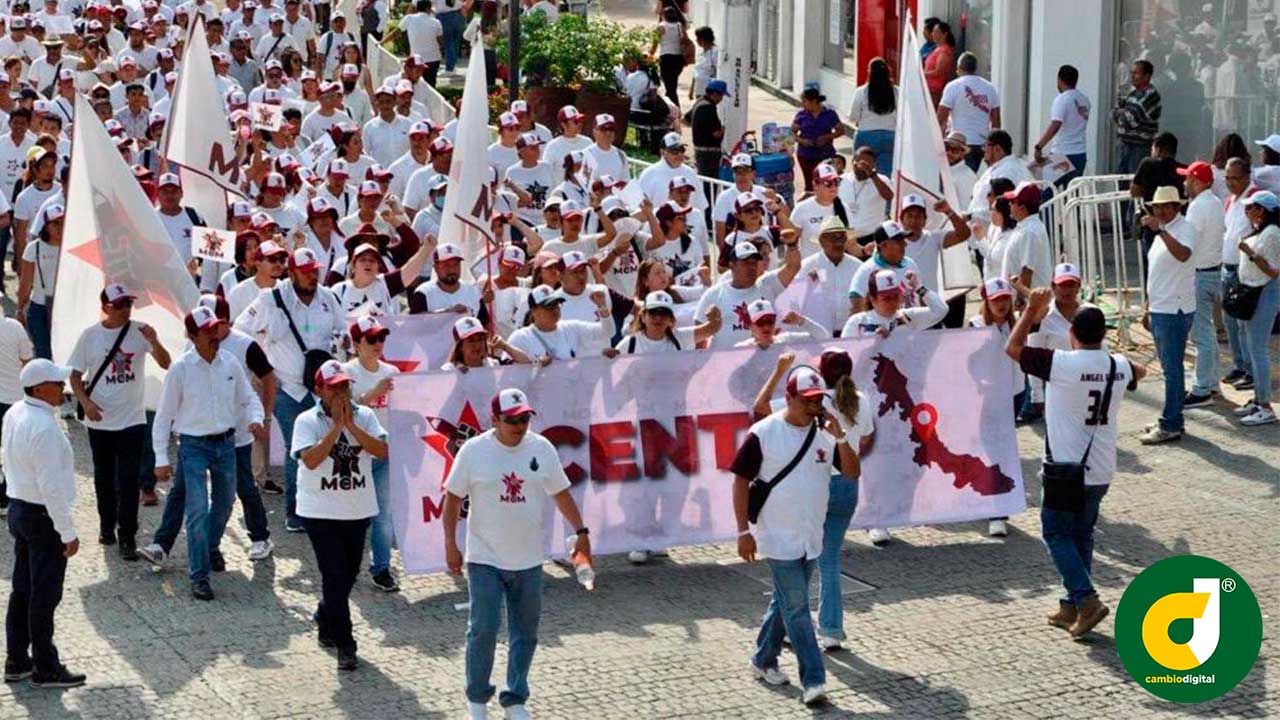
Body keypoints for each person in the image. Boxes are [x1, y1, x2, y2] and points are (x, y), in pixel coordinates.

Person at [442, 387, 591, 720]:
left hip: (529, 558)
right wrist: (450, 544)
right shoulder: (474, 450)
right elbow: (452, 498)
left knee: (526, 632)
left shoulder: (541, 448)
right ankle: (477, 700)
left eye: (525, 419)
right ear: (494, 420)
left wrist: (581, 532)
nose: (520, 426)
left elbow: (561, 492)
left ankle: (515, 699)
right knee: (483, 628)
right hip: (484, 557)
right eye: (512, 420)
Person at [1006, 288, 1146, 639]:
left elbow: (1013, 348)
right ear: (1103, 334)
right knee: (1082, 533)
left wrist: (1030, 311)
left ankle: (1086, 600)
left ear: (1072, 333)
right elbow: (1141, 370)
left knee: (1055, 532)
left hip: (1065, 468)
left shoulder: (1063, 363)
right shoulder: (1118, 365)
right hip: (1101, 469)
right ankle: (1070, 605)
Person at [731, 365, 859, 706]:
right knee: (798, 608)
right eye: (807, 400)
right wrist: (743, 531)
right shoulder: (764, 433)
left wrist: (841, 437)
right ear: (788, 398)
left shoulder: (825, 434)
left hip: (810, 536)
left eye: (818, 400)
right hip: (776, 535)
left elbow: (851, 472)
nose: (814, 406)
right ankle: (814, 679)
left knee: (785, 602)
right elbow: (740, 480)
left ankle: (763, 659)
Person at [139, 294, 278, 569]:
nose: (216, 332)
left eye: (218, 325)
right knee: (187, 498)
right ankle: (172, 549)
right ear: (193, 336)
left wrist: (262, 417)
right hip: (196, 440)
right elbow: (167, 410)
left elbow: (262, 383)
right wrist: (161, 457)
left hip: (236, 436)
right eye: (208, 329)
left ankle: (255, 537)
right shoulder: (186, 360)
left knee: (238, 492)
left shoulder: (243, 347)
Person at [236, 248, 346, 533]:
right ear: (293, 272)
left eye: (315, 271)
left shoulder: (328, 298)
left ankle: (323, 505)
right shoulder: (270, 299)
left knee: (327, 444)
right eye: (306, 271)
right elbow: (240, 331)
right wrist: (261, 370)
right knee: (298, 446)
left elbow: (343, 331)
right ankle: (295, 511)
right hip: (287, 388)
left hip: (323, 388)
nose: (312, 276)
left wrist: (339, 348)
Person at [294, 359, 386, 671]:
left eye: (345, 386)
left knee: (348, 574)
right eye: (334, 388)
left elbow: (382, 450)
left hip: (356, 509)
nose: (341, 393)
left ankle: (325, 615)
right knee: (333, 574)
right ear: (319, 390)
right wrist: (336, 429)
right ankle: (346, 644)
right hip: (319, 511)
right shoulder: (307, 421)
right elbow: (310, 460)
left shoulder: (366, 416)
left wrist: (352, 427)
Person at [68, 284, 171, 562]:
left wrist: (155, 341)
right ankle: (106, 526)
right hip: (100, 421)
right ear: (106, 307)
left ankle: (127, 536)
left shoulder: (140, 332)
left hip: (132, 420)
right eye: (121, 305)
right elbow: (74, 375)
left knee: (128, 480)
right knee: (104, 478)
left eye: (129, 304)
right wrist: (86, 403)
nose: (127, 309)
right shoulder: (90, 336)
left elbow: (166, 363)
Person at [3, 359, 86, 688]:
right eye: (57, 383)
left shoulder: (15, 412)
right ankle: (46, 666)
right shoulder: (45, 428)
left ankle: (16, 658)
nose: (63, 388)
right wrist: (68, 532)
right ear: (39, 389)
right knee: (45, 594)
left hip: (19, 508)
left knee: (22, 588)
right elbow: (51, 487)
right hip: (42, 517)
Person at [340, 317, 400, 591]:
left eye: (381, 338)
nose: (378, 344)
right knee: (351, 515)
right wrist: (372, 393)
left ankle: (381, 567)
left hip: (384, 453)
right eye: (372, 339)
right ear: (356, 344)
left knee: (383, 514)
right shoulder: (345, 372)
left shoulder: (392, 371)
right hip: (354, 455)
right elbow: (344, 411)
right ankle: (345, 565)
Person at [1139, 186, 1196, 445]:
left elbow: (1183, 255)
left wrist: (1160, 231)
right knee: (1169, 368)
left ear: (1176, 207)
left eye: (1165, 206)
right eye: (1157, 207)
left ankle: (1171, 423)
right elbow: (1157, 273)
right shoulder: (1165, 231)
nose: (1160, 211)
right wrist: (1148, 306)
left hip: (1174, 308)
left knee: (1172, 370)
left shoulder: (1184, 228)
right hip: (1161, 307)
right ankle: (1173, 418)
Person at [1179, 162, 1227, 408]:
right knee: (1207, 332)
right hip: (1212, 271)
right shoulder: (1216, 202)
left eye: (1187, 178)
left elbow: (1189, 242)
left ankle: (1202, 389)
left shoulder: (1198, 206)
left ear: (1197, 181)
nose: (1184, 182)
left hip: (1200, 274)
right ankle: (1211, 383)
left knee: (1201, 334)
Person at [1233, 191, 1280, 426]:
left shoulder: (1272, 233)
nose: (1246, 211)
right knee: (1252, 347)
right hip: (1252, 291)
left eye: (1250, 207)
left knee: (1258, 349)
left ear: (1262, 210)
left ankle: (1265, 406)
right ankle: (1258, 399)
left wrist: (1249, 253)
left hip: (1264, 293)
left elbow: (1273, 271)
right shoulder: (1261, 230)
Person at [507, 284, 613, 362]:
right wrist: (535, 366)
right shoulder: (520, 338)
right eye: (549, 306)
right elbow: (506, 371)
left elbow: (608, 332)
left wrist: (602, 306)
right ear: (534, 311)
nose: (554, 310)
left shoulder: (571, 328)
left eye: (556, 304)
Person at [1221, 158, 1256, 390]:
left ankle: (1251, 371)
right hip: (1228, 268)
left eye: (1235, 178)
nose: (1230, 183)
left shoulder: (1254, 199)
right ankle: (1240, 365)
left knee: (1245, 325)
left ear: (1246, 177)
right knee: (1230, 323)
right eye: (1227, 178)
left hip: (1245, 272)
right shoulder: (1230, 201)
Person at [937, 52, 999, 172]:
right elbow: (996, 123)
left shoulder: (953, 86)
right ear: (975, 69)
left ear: (959, 69)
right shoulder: (990, 88)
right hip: (982, 145)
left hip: (958, 146)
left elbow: (940, 120)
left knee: (960, 179)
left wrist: (939, 145)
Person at [1033, 64, 1091, 187]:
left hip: (1061, 153)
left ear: (1059, 80)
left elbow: (1056, 124)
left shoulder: (1062, 99)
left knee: (1046, 189)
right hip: (1080, 153)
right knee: (1072, 193)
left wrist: (1039, 146)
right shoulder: (1084, 100)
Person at [0, 298, 32, 515]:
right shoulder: (15, 327)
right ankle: (9, 497)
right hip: (13, 399)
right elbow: (28, 360)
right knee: (13, 451)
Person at [848, 57, 897, 177]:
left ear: (869, 72)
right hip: (890, 137)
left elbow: (853, 117)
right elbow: (902, 117)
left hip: (865, 136)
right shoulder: (897, 92)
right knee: (884, 177)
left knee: (862, 174)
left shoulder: (861, 92)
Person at [1113, 60, 1162, 174]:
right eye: (1131, 73)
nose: (1132, 76)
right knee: (1121, 179)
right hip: (1125, 145)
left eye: (1136, 73)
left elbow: (1129, 120)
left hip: (1139, 147)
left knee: (1135, 179)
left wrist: (1122, 114)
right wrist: (1121, 113)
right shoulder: (1132, 94)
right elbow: (1115, 112)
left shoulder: (1150, 95)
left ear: (1146, 76)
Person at [792, 88, 841, 192]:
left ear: (814, 101)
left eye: (805, 101)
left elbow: (840, 130)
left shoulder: (829, 114)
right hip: (805, 155)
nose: (802, 104)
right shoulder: (802, 115)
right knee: (810, 185)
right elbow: (792, 133)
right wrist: (803, 141)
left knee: (826, 183)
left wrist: (827, 137)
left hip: (825, 154)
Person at [689, 79, 728, 179]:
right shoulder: (709, 108)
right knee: (710, 180)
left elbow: (685, 120)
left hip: (698, 149)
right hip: (709, 153)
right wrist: (723, 129)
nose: (721, 99)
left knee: (703, 178)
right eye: (721, 96)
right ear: (715, 94)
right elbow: (716, 133)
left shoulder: (699, 102)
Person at [652, 7, 686, 109]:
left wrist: (650, 55)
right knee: (672, 85)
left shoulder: (661, 26)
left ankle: (675, 108)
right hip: (678, 58)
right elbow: (684, 40)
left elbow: (655, 44)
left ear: (663, 15)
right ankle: (671, 107)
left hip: (666, 58)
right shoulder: (679, 25)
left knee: (669, 86)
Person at [922, 21, 955, 106]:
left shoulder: (944, 51)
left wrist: (922, 74)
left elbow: (938, 72)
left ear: (945, 34)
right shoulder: (938, 49)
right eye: (933, 31)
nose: (933, 34)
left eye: (936, 32)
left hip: (934, 91)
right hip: (928, 88)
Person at [689, 26, 717, 100]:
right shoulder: (699, 52)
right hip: (699, 89)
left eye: (698, 38)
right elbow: (696, 71)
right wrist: (691, 89)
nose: (697, 40)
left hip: (709, 90)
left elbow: (717, 71)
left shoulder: (715, 52)